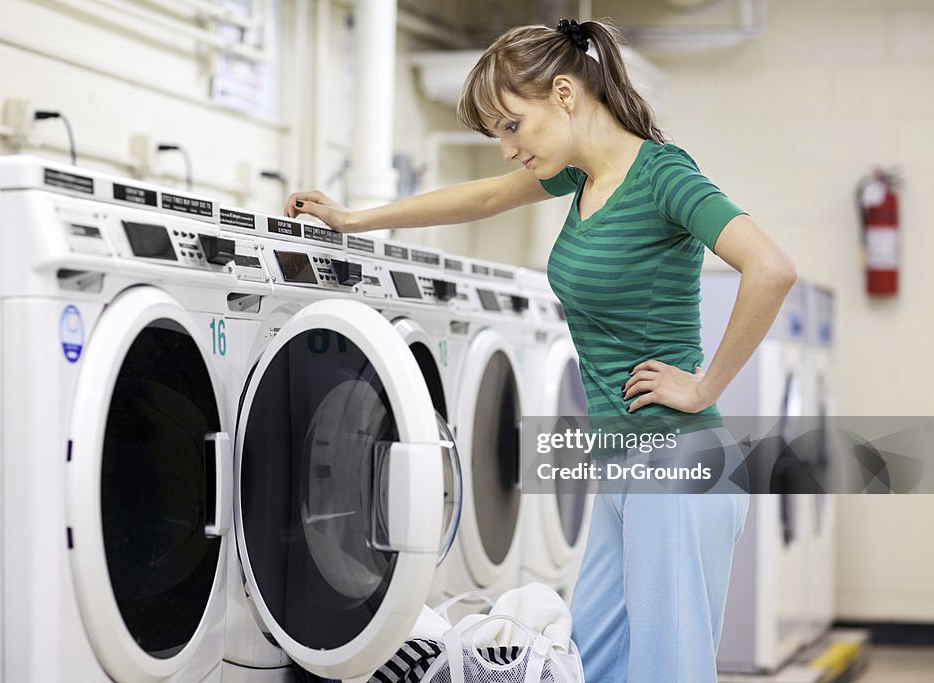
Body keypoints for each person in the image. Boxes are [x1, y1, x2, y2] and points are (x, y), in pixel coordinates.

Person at [285, 18, 795, 683]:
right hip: (621, 469)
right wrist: (356, 218)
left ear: (563, 93)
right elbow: (484, 197)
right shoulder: (581, 181)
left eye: (510, 125)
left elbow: (770, 267)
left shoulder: (664, 176)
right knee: (599, 667)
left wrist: (703, 387)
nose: (505, 148)